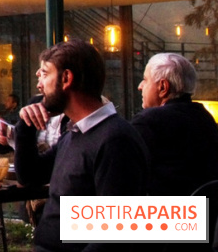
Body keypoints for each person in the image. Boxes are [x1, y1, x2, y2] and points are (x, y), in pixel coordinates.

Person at [14, 39, 149, 251]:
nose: (39, 85)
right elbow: (30, 176)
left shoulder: (115, 140)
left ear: (66, 78)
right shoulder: (75, 134)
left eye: (46, 74)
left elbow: (114, 235)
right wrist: (26, 125)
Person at [132, 53, 218, 196]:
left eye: (145, 80)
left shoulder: (148, 123)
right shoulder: (206, 119)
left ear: (163, 87)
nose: (140, 86)